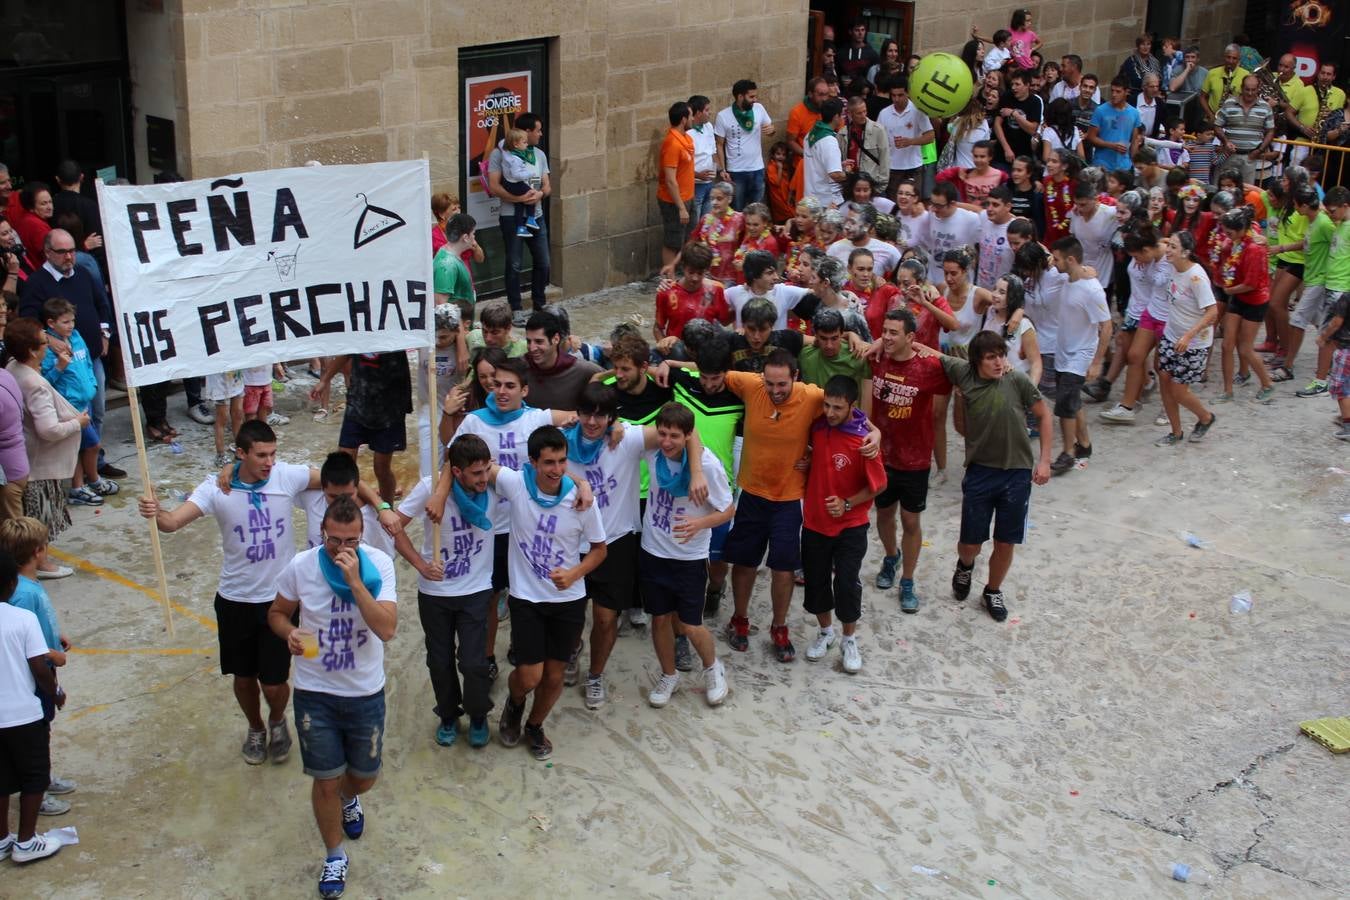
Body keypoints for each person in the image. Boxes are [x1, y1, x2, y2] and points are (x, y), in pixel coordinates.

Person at [137, 421, 327, 765]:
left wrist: (380, 504)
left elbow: (334, 477)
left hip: (279, 601)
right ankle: (256, 727)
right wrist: (155, 511)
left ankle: (277, 719)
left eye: (273, 454)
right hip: (234, 599)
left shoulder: (288, 475)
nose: (269, 462)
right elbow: (171, 524)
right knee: (243, 678)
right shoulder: (215, 488)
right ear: (240, 454)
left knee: (274, 682)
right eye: (261, 455)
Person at [268, 496, 398, 900]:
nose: (342, 549)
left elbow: (387, 629)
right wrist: (287, 631)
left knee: (364, 777)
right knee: (323, 780)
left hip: (364, 692)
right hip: (315, 693)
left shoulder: (380, 565)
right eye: (334, 540)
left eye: (352, 541)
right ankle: (334, 854)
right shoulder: (301, 567)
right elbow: (276, 612)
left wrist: (356, 581)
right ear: (321, 532)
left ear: (363, 536)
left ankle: (349, 797)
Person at [720, 349, 879, 661]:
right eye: (770, 384)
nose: (776, 391)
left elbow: (848, 410)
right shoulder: (750, 385)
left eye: (783, 384)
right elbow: (708, 371)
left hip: (789, 498)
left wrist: (876, 431)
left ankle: (779, 627)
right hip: (752, 492)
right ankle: (739, 619)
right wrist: (669, 363)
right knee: (743, 562)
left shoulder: (812, 396)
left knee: (783, 567)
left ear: (796, 377)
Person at [562, 383, 705, 708]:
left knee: (605, 618)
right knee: (570, 616)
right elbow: (535, 462)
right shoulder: (563, 440)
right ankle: (572, 652)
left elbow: (688, 430)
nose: (593, 422)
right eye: (587, 414)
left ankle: (595, 674)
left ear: (614, 416)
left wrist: (696, 472)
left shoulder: (625, 439)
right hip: (570, 543)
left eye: (602, 416)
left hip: (615, 542)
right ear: (579, 412)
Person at [442, 356, 578, 680]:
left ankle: (522, 646)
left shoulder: (537, 418)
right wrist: (448, 415)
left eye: (510, 386)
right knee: (490, 594)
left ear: (524, 389)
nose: (501, 391)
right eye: (496, 384)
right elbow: (450, 454)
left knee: (522, 591)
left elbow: (578, 420)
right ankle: (487, 656)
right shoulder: (474, 421)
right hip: (487, 526)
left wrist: (584, 479)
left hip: (526, 526)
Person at [489, 426, 607, 760]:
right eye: (548, 462)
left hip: (568, 600)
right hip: (527, 597)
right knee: (529, 675)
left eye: (561, 461)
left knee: (554, 676)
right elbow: (478, 463)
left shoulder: (581, 500)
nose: (556, 469)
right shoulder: (515, 484)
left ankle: (534, 725)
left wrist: (574, 573)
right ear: (532, 462)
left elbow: (599, 550)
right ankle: (515, 703)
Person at [923, 329, 1053, 622]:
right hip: (981, 471)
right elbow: (931, 353)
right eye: (990, 357)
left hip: (1017, 473)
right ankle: (965, 566)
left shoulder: (1016, 379)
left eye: (1001, 355)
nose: (998, 362)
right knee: (971, 543)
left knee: (1006, 541)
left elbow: (1044, 416)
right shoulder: (964, 374)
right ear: (975, 362)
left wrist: (1044, 461)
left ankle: (992, 590)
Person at [394, 435, 495, 749]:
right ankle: (448, 715)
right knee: (439, 661)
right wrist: (421, 566)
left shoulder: (494, 483)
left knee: (474, 662)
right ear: (458, 471)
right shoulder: (429, 486)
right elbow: (395, 527)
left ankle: (478, 715)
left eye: (486, 470)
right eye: (475, 473)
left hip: (476, 589)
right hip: (435, 592)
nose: (483, 478)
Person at [639, 402, 732, 707]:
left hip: (689, 557)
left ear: (688, 436)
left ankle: (712, 668)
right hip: (654, 550)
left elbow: (727, 509)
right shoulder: (654, 453)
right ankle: (669, 674)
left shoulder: (707, 467)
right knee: (659, 619)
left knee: (691, 624)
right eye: (662, 433)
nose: (666, 441)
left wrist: (699, 523)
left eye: (674, 436)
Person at [17, 229, 120, 482]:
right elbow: (27, 320)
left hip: (91, 357)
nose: (69, 256)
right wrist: (49, 338)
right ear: (48, 252)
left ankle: (96, 461)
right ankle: (80, 473)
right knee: (72, 419)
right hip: (61, 365)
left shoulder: (84, 274)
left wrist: (105, 334)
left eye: (72, 250)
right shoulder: (36, 282)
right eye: (62, 252)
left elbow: (102, 304)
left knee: (97, 412)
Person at [870, 307, 953, 611]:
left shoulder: (929, 367)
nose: (887, 337)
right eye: (885, 331)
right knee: (883, 515)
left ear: (910, 337)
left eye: (894, 333)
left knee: (910, 519)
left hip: (915, 459)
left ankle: (907, 580)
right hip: (882, 455)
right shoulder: (876, 357)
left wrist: (929, 350)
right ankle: (891, 557)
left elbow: (959, 371)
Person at [800, 375, 884, 671]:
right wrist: (808, 462)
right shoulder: (818, 426)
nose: (830, 413)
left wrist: (847, 502)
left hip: (851, 524)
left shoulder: (864, 441)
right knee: (816, 580)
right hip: (814, 522)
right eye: (827, 406)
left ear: (852, 406)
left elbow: (879, 486)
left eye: (838, 407)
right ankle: (826, 632)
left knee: (847, 583)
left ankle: (849, 639)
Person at [2, 319, 82, 579]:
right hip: (37, 462)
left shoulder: (13, 367)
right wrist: (77, 422)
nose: (49, 346)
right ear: (33, 350)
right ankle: (42, 563)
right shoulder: (33, 383)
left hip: (25, 456)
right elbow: (48, 430)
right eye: (44, 343)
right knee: (41, 518)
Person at [0, 549, 63, 864]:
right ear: (11, 584)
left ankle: (1, 840)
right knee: (35, 777)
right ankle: (26, 842)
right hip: (23, 715)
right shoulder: (22, 619)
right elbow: (39, 668)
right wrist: (56, 692)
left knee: (0, 779)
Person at [38, 297, 111, 506]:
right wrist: (59, 366)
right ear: (51, 323)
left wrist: (92, 383)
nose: (70, 326)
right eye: (65, 322)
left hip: (84, 400)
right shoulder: (47, 348)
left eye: (72, 321)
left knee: (80, 446)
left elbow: (87, 361)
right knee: (92, 445)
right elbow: (44, 381)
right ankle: (87, 482)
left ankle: (84, 484)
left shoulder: (77, 336)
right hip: (69, 405)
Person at [1048, 237, 1112, 475]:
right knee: (1072, 403)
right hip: (1063, 352)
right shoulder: (1067, 278)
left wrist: (1097, 361)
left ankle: (1067, 453)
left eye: (1057, 259)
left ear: (1070, 259)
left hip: (1080, 355)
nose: (1053, 263)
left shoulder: (1092, 290)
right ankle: (1084, 445)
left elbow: (1106, 326)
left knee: (1065, 406)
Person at [313, 351, 411, 503]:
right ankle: (345, 507)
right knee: (343, 464)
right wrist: (324, 380)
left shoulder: (396, 332)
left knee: (381, 468)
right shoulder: (358, 330)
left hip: (390, 406)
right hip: (358, 401)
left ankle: (387, 508)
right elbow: (346, 352)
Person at [1154, 233, 1219, 446]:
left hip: (1193, 343)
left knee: (1178, 390)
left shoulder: (1196, 277)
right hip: (1171, 336)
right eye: (1168, 245)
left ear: (1186, 252)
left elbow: (1212, 312)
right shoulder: (1172, 264)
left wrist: (1188, 336)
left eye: (1173, 247)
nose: (1168, 250)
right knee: (1164, 379)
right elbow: (1156, 244)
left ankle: (1206, 417)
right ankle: (1176, 431)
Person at [486, 112, 551, 320]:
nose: (540, 134)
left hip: (537, 215)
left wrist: (540, 194)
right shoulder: (500, 154)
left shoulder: (539, 154)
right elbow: (495, 186)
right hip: (511, 217)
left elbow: (547, 185)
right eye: (538, 130)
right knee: (514, 263)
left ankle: (539, 304)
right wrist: (520, 199)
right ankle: (516, 307)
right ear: (527, 131)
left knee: (544, 262)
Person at [1214, 207, 1275, 403]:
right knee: (1226, 345)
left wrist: (1229, 290)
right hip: (1239, 298)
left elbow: (1251, 284)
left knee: (1245, 348)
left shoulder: (1254, 249)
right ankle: (1228, 390)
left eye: (1229, 232)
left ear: (1240, 229)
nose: (1226, 236)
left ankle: (1267, 384)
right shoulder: (1238, 242)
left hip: (1255, 301)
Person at [1293, 188, 1343, 397]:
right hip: (1331, 283)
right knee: (1329, 331)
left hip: (1337, 285)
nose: (1328, 214)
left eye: (1332, 211)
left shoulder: (1333, 225)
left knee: (1326, 334)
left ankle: (1321, 380)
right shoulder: (1337, 224)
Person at [522, 310, 602, 410]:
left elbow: (614, 379)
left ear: (556, 339)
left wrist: (595, 383)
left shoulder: (583, 369)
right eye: (529, 341)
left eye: (539, 341)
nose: (532, 348)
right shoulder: (518, 366)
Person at [714, 79, 775, 210]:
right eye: (751, 96)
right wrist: (723, 169)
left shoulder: (759, 109)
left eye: (755, 96)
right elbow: (719, 144)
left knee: (757, 210)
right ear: (740, 96)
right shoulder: (723, 116)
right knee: (737, 210)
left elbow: (770, 129)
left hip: (757, 168)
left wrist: (772, 130)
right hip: (736, 171)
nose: (755, 99)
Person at [877, 76, 932, 199]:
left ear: (908, 92)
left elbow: (930, 136)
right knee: (894, 205)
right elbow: (878, 139)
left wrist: (911, 141)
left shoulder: (918, 111)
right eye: (893, 95)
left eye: (900, 95)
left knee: (913, 203)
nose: (896, 99)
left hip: (914, 167)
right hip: (892, 168)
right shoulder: (884, 113)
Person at [1214, 76, 1274, 185]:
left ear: (1258, 89)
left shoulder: (1265, 107)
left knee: (1246, 192)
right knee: (1221, 187)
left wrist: (1259, 150)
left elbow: (1270, 131)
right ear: (1241, 88)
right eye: (1247, 89)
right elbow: (1217, 126)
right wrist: (1226, 142)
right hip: (1229, 154)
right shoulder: (1229, 103)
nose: (1250, 93)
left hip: (1250, 156)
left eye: (1253, 90)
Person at [658, 101, 697, 270]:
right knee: (673, 241)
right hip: (674, 201)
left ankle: (685, 271)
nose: (693, 119)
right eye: (691, 116)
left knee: (690, 237)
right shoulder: (672, 144)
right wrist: (681, 208)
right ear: (683, 119)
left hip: (689, 197)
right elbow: (670, 180)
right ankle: (669, 276)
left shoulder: (686, 139)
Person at [798, 307, 870, 397]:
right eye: (823, 338)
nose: (829, 345)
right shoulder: (805, 355)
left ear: (842, 334)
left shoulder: (858, 354)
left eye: (834, 338)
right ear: (815, 335)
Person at [686, 182, 744, 285]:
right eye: (712, 199)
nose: (714, 202)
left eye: (719, 199)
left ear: (729, 199)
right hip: (708, 274)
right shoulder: (706, 219)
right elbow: (692, 242)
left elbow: (750, 243)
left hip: (730, 276)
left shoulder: (739, 220)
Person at [1086, 77, 1142, 173]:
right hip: (1102, 164)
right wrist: (1111, 145)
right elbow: (1091, 137)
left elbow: (1134, 141)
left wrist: (1134, 164)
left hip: (1124, 166)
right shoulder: (1100, 110)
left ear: (1126, 92)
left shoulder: (1134, 113)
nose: (1113, 94)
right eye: (1112, 91)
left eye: (1118, 91)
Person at [432, 213, 478, 325]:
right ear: (465, 238)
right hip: (457, 331)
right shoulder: (447, 265)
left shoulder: (452, 256)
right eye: (473, 234)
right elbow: (441, 308)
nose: (474, 237)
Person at [803, 98, 849, 207]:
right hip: (827, 202)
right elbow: (835, 175)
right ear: (836, 117)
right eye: (842, 115)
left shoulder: (809, 135)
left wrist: (839, 164)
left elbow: (817, 163)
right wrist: (852, 176)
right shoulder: (829, 141)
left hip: (811, 198)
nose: (843, 118)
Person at [497, 128, 544, 237]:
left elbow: (501, 143)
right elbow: (516, 175)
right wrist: (530, 174)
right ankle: (531, 218)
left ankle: (521, 227)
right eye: (524, 142)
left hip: (510, 183)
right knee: (532, 195)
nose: (527, 145)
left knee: (519, 204)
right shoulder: (515, 159)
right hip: (514, 183)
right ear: (516, 145)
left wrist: (510, 138)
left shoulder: (506, 151)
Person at [993, 70, 1044, 169]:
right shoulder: (1006, 97)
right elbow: (997, 124)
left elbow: (1032, 129)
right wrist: (1006, 148)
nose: (1013, 88)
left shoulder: (1035, 102)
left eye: (1017, 84)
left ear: (1027, 85)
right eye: (1012, 84)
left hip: (1023, 154)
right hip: (1002, 153)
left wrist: (1014, 114)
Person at [1320, 284, 1350, 440]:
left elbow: (1336, 323)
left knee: (1342, 388)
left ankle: (1348, 426)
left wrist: (1323, 337)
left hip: (1346, 350)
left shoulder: (1346, 297)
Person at [840, 95, 889, 187]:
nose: (863, 115)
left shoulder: (878, 130)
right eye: (859, 113)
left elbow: (885, 160)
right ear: (850, 114)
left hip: (872, 185)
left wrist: (880, 187)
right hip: (850, 185)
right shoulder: (842, 133)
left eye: (865, 111)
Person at [1200, 45, 1248, 122]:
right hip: (1214, 117)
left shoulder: (1246, 75)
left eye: (1234, 58)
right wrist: (1210, 114)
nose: (1230, 61)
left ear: (1239, 60)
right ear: (1224, 57)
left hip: (1235, 118)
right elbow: (1202, 97)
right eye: (1228, 57)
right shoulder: (1212, 73)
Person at [837, 17, 878, 91]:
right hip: (845, 93)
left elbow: (875, 79)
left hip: (863, 94)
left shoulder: (872, 54)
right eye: (857, 30)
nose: (860, 33)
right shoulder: (841, 52)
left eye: (863, 30)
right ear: (850, 32)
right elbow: (837, 74)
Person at [1117, 34, 1161, 101]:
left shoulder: (1155, 61)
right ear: (1138, 46)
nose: (1145, 47)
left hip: (1153, 97)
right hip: (1135, 97)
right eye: (1143, 44)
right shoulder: (1131, 62)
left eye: (1148, 44)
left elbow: (1160, 79)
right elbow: (1136, 81)